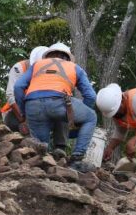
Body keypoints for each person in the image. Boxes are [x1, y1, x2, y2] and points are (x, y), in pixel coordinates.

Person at [13, 42, 98, 171]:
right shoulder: (74, 67)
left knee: (41, 148)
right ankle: (76, 160)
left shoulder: (37, 65)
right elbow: (91, 96)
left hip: (32, 104)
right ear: (67, 57)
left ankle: (41, 167)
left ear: (48, 56)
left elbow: (18, 87)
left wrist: (24, 112)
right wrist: (77, 120)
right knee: (91, 117)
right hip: (59, 102)